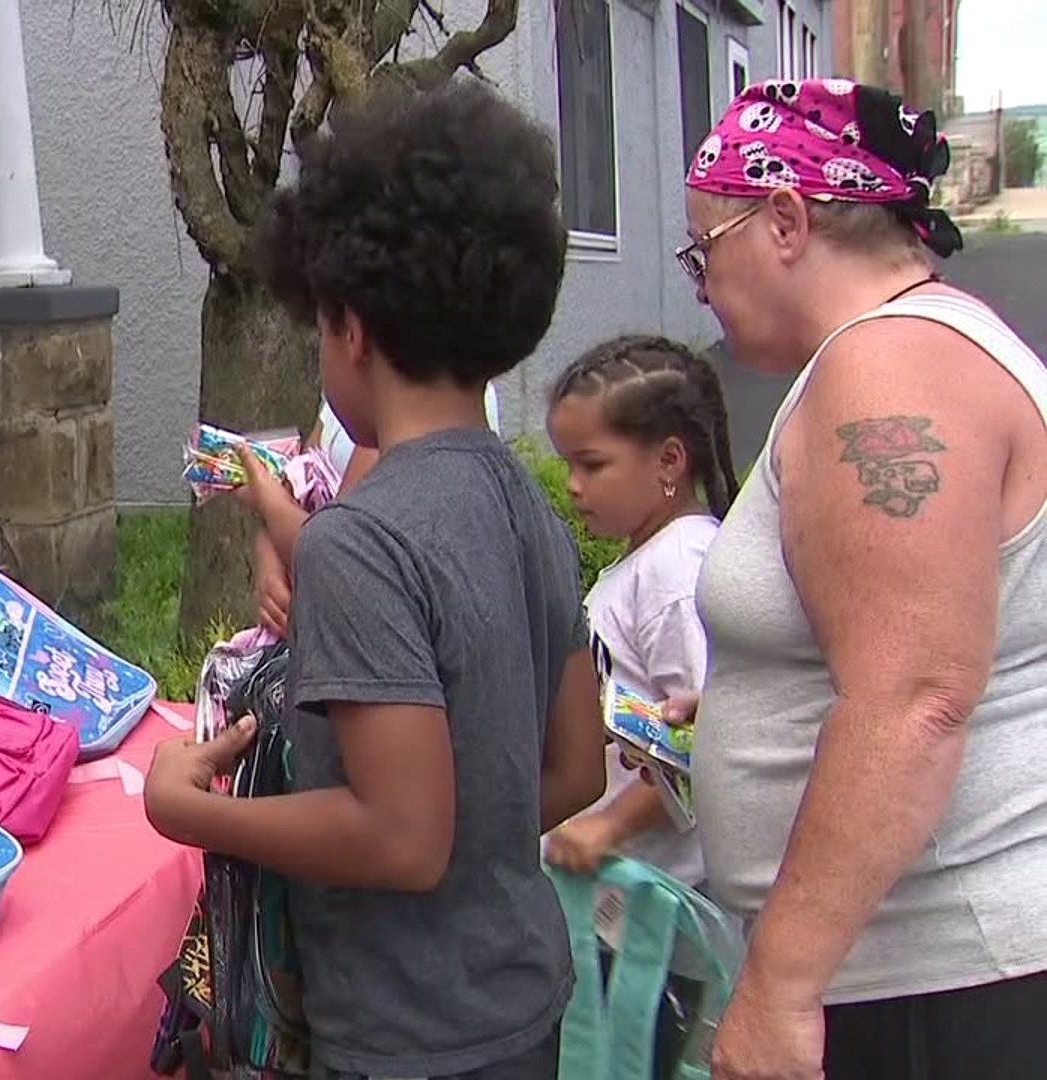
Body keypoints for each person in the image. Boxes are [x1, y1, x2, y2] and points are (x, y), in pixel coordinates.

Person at [144, 79, 606, 1080]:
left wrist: (192, 812)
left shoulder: (360, 539)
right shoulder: (528, 506)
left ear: (349, 326)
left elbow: (401, 838)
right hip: (522, 999)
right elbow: (576, 769)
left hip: (403, 1038)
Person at [681, 79, 1047, 1080]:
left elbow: (916, 696)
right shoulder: (906, 347)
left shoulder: (889, 372)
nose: (700, 288)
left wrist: (781, 988)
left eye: (702, 253)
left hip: (934, 984)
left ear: (786, 219)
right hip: (915, 973)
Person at [542, 335, 734, 888]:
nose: (574, 487)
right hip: (619, 888)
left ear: (669, 459)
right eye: (567, 465)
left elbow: (704, 738)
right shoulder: (647, 560)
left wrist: (606, 827)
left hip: (658, 904)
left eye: (593, 465)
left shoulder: (678, 570)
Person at [252, 389, 499, 637]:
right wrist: (269, 553)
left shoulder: (416, 405)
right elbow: (301, 484)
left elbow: (339, 549)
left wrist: (266, 497)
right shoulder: (346, 393)